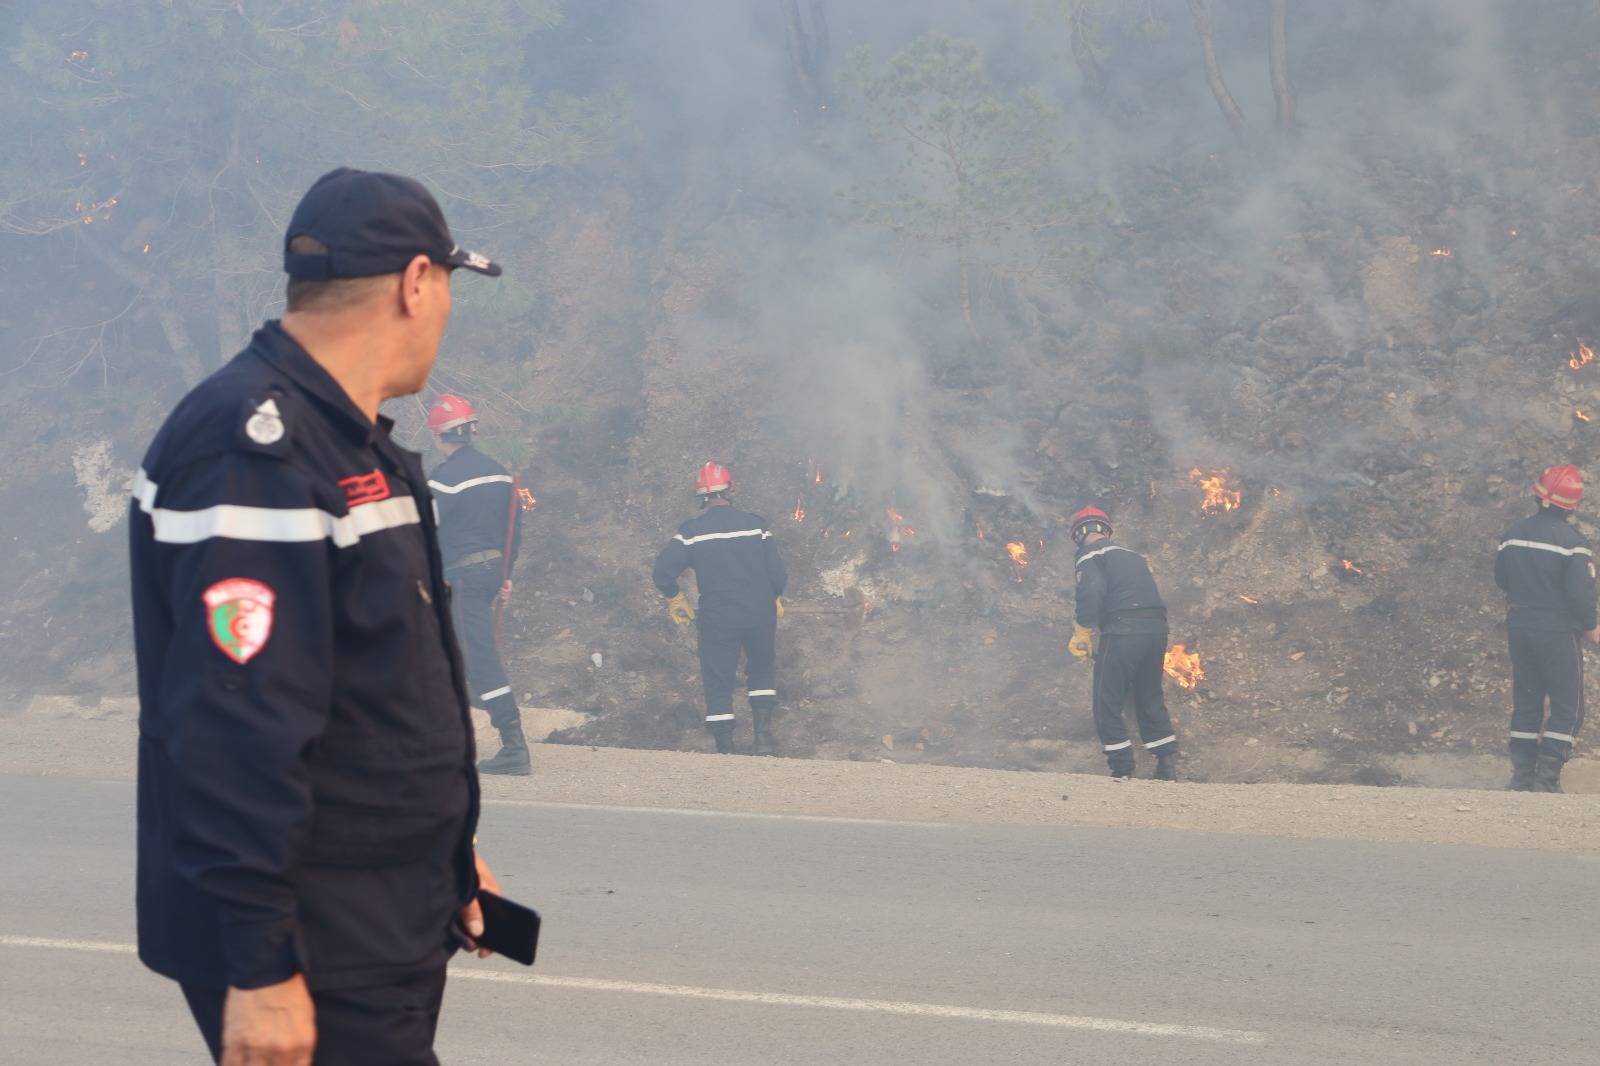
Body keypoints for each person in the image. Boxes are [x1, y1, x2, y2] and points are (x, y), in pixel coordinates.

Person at [129, 167, 509, 1066]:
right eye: (449, 285)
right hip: (318, 938)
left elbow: (374, 689)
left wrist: (451, 854)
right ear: (418, 282)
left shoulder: (349, 440)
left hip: (377, 914)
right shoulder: (254, 453)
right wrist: (260, 965)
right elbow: (233, 729)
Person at [426, 393, 530, 776]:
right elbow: (514, 530)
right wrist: (506, 575)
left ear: (440, 436)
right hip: (488, 574)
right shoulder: (501, 473)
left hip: (463, 577)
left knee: (476, 657)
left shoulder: (446, 477)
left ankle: (513, 744)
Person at [652, 462, 787, 755]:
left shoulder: (692, 531)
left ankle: (725, 749)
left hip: (718, 617)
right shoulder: (756, 526)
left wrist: (675, 598)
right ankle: (763, 740)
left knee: (718, 678)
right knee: (762, 670)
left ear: (700, 496)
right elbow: (777, 572)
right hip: (758, 613)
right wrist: (775, 596)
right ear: (732, 489)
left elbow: (662, 571)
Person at [1494, 463, 1598, 793]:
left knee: (1527, 700)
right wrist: (1592, 626)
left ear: (1536, 495)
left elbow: (1501, 579)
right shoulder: (1574, 543)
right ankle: (1546, 780)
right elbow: (1581, 595)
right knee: (1568, 705)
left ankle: (1521, 778)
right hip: (1556, 631)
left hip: (1520, 626)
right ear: (1573, 504)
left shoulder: (1511, 535)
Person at [1067, 506, 1179, 780]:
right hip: (1156, 631)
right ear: (1106, 530)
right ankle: (1166, 764)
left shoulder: (1089, 555)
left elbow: (1092, 590)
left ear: (1080, 533)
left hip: (1123, 631)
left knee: (1107, 701)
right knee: (1149, 695)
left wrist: (1083, 630)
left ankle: (1122, 769)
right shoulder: (1133, 556)